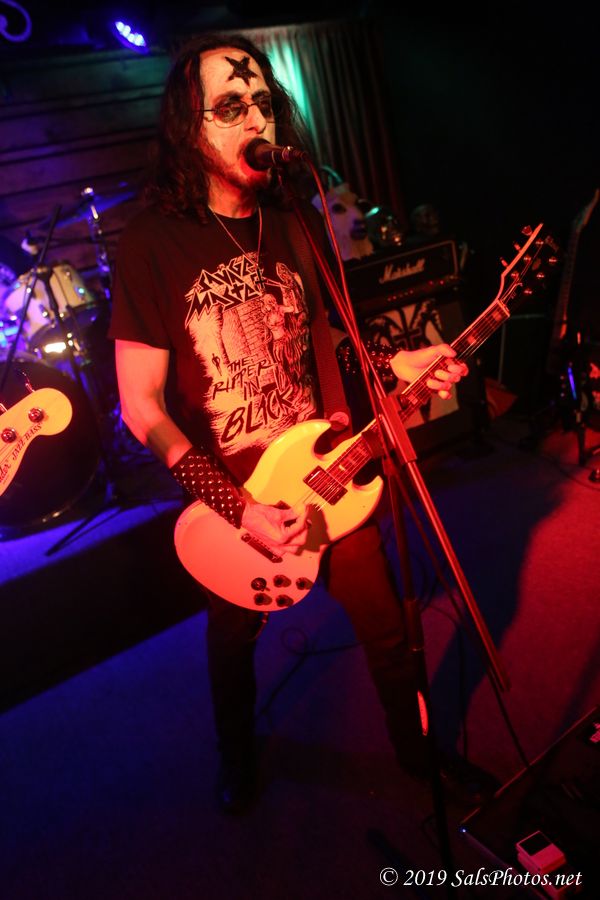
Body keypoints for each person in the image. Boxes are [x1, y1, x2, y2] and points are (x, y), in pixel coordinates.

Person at [108, 33, 473, 814]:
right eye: (230, 107)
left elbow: (328, 337)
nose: (255, 120)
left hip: (324, 469)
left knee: (388, 625)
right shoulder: (149, 241)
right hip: (232, 493)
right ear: (188, 127)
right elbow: (140, 405)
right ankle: (236, 757)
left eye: (263, 104)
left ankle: (418, 757)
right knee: (232, 640)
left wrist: (390, 368)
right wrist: (234, 504)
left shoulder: (296, 217)